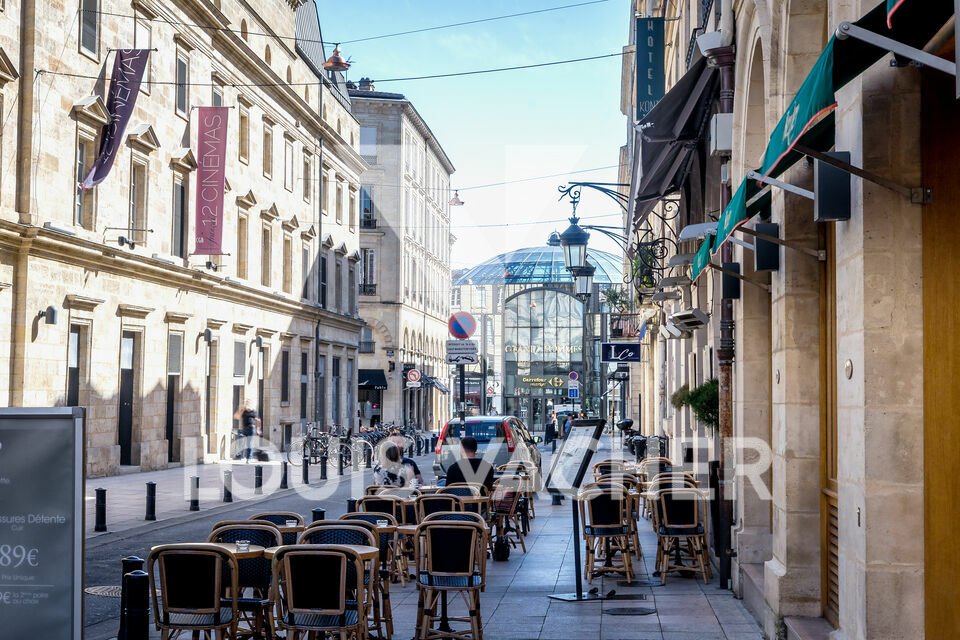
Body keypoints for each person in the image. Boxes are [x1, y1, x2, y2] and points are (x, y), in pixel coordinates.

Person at [233, 399, 261, 463]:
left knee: (249, 444)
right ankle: (242, 456)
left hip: (251, 429)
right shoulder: (244, 411)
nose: (247, 404)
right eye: (246, 403)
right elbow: (236, 417)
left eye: (248, 403)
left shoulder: (253, 412)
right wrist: (240, 409)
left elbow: (258, 420)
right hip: (245, 429)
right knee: (242, 443)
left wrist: (258, 430)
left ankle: (248, 458)